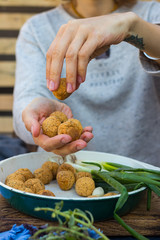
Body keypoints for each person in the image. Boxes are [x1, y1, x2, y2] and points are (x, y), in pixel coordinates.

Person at [13, 0, 160, 167]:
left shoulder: (152, 13)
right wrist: (32, 113)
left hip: (145, 176)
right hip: (66, 178)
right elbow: (28, 95)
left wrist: (131, 26)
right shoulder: (37, 29)